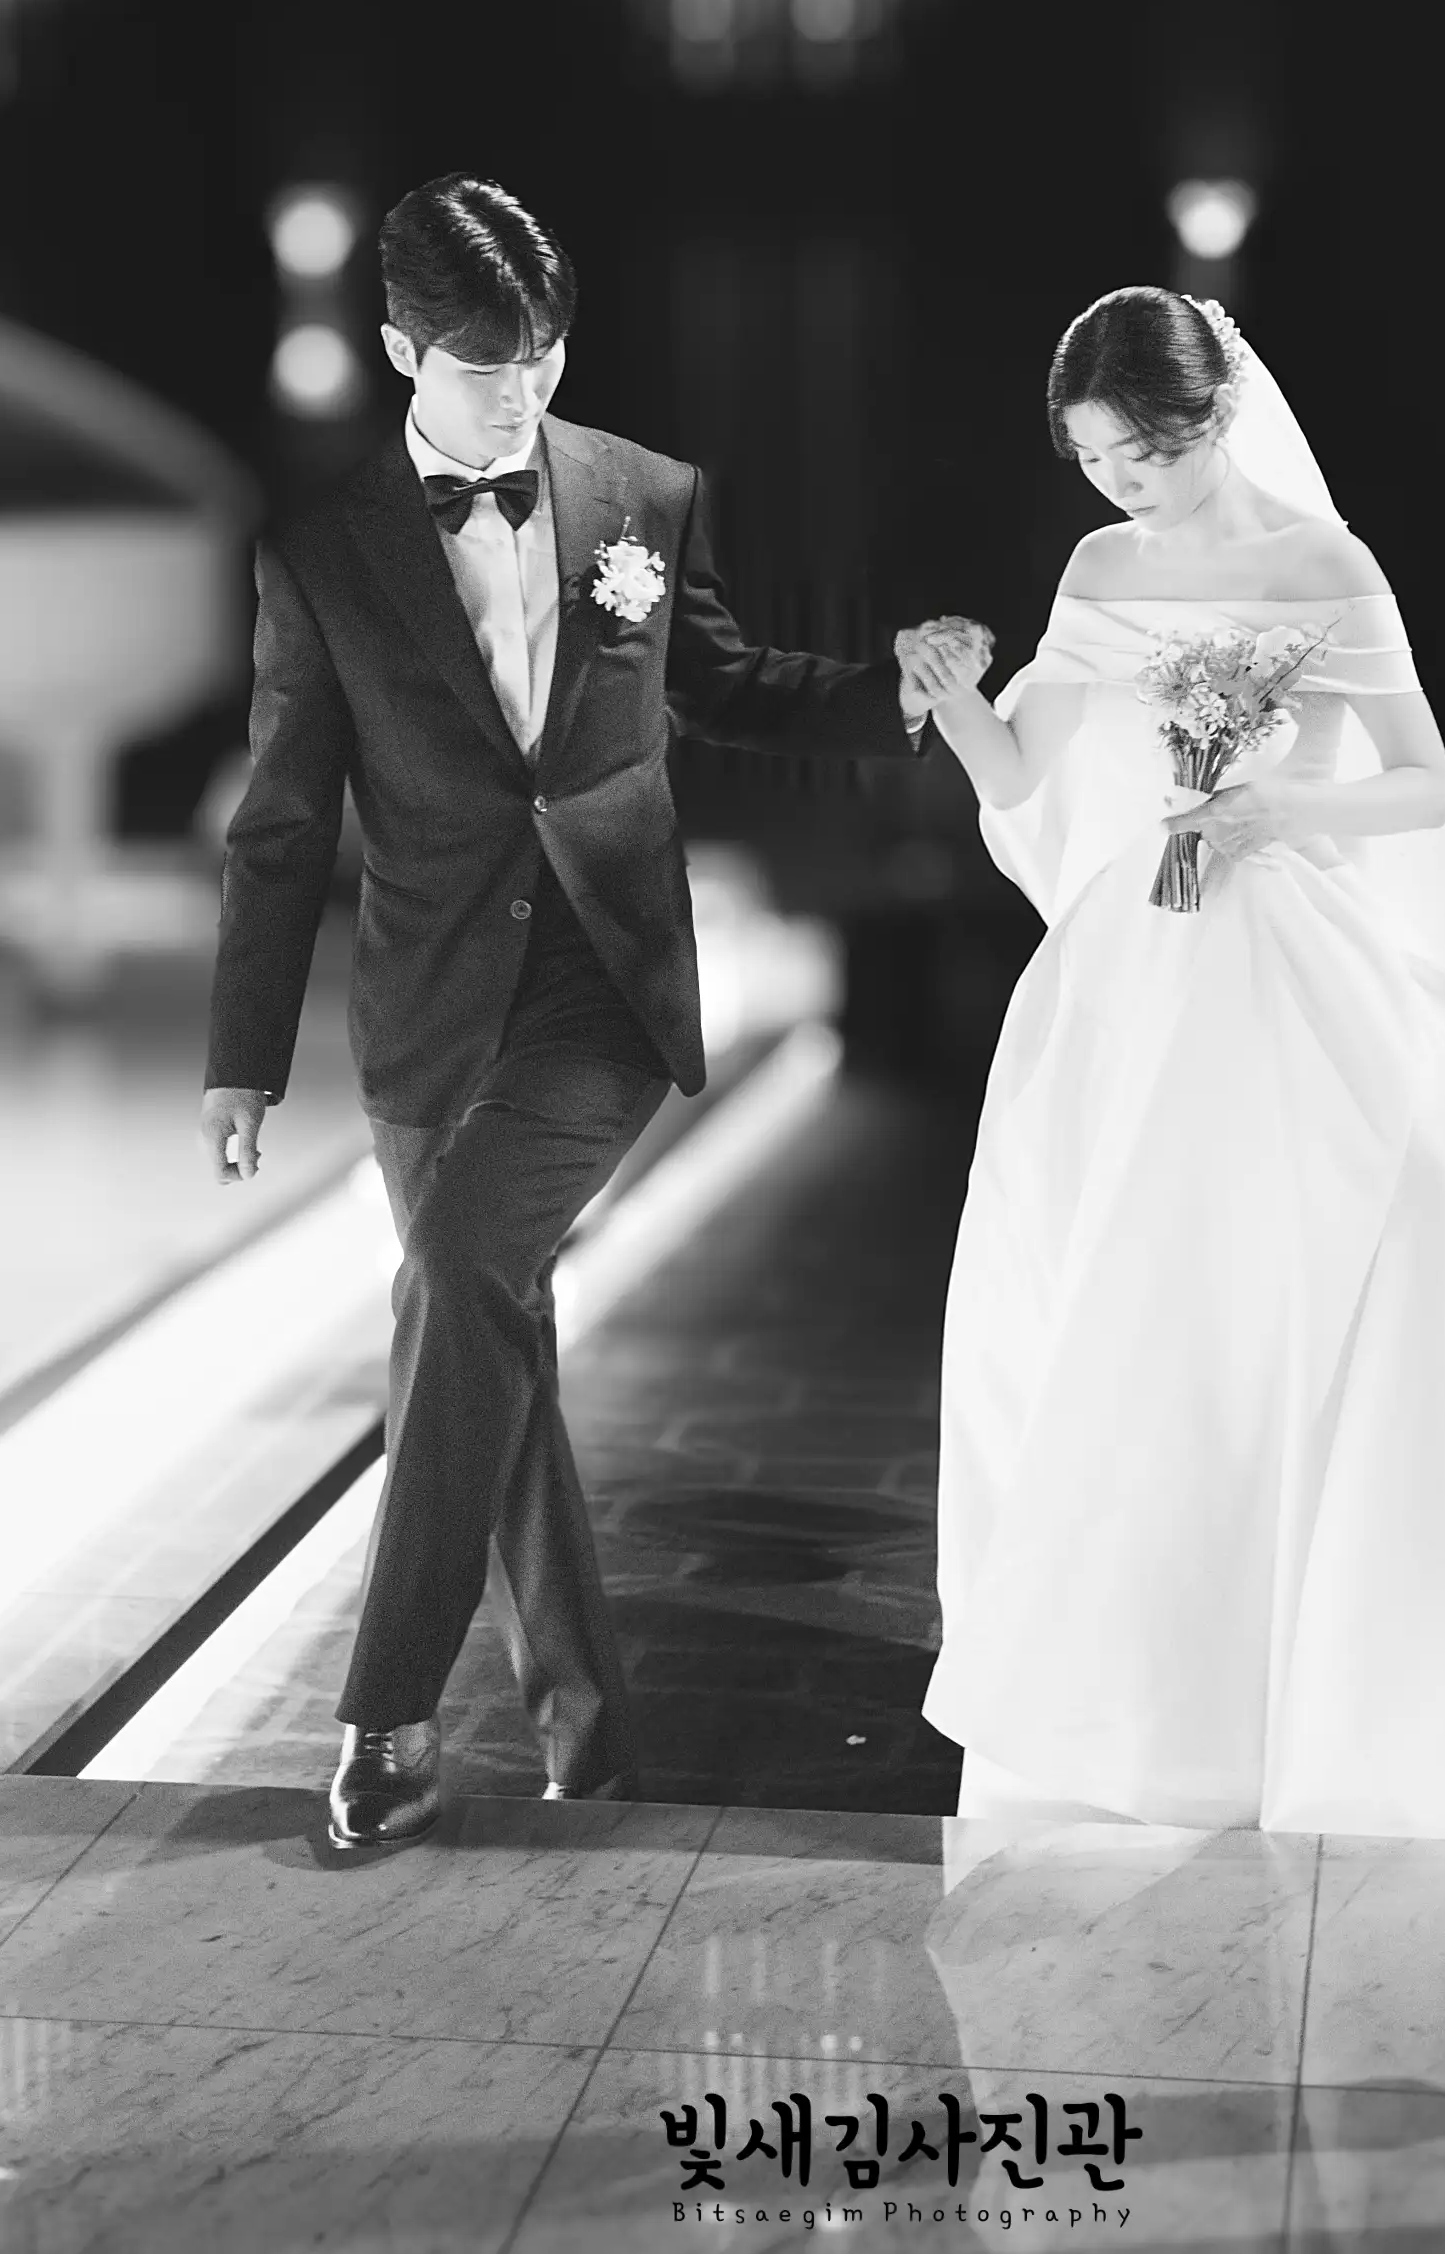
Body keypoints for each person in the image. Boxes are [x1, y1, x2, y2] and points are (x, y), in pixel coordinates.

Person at [199, 174, 988, 1850]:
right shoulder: (323, 553)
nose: (525, 393)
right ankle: (594, 1740)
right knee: (491, 1345)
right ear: (403, 351)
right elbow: (281, 823)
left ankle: (390, 1719)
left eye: (546, 355)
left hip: (602, 981)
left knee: (458, 1278)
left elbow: (724, 681)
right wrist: (240, 1058)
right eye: (486, 366)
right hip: (427, 1007)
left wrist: (901, 698)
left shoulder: (641, 493)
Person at [904, 286, 1445, 1843]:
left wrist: (1279, 810)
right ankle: (1142, 1686)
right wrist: (955, 703)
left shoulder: (1325, 567)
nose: (1121, 487)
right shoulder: (1101, 567)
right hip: (1137, 958)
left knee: (1339, 1277)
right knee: (1132, 1304)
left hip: (1293, 938)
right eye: (1095, 460)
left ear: (1215, 419)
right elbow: (1024, 772)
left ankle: (1335, 1658)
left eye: (1145, 456)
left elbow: (1424, 788)